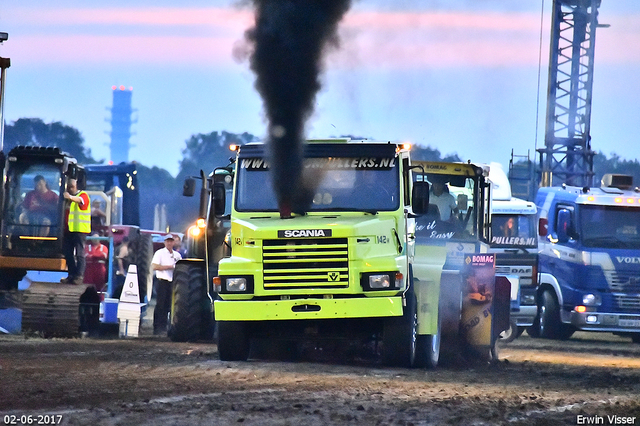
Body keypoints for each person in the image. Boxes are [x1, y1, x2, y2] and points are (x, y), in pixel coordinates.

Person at [61, 178, 91, 285]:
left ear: (77, 186)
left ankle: (79, 276)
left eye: (72, 187)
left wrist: (70, 197)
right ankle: (71, 275)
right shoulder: (68, 200)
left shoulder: (83, 195)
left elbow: (81, 201)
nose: (70, 189)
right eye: (68, 187)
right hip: (69, 230)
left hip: (80, 230)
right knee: (68, 253)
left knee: (79, 254)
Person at [151, 235, 182, 335]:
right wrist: (168, 267)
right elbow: (154, 266)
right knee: (160, 304)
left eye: (171, 241)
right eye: (167, 241)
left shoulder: (177, 255)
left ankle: (165, 326)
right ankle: (157, 327)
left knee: (169, 305)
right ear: (165, 242)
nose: (169, 243)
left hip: (172, 282)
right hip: (162, 281)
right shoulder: (159, 253)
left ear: (173, 243)